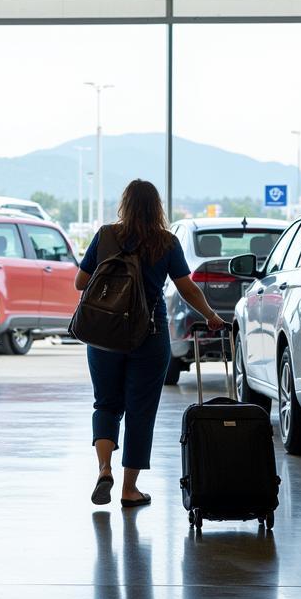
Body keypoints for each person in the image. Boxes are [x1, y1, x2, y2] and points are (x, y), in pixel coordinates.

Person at [75, 179, 224, 509]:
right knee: (141, 412)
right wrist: (211, 315)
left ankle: (104, 469)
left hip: (104, 334)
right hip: (150, 334)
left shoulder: (105, 235)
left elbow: (80, 282)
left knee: (106, 404)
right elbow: (187, 289)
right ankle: (130, 489)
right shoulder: (166, 243)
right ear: (157, 207)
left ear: (124, 204)